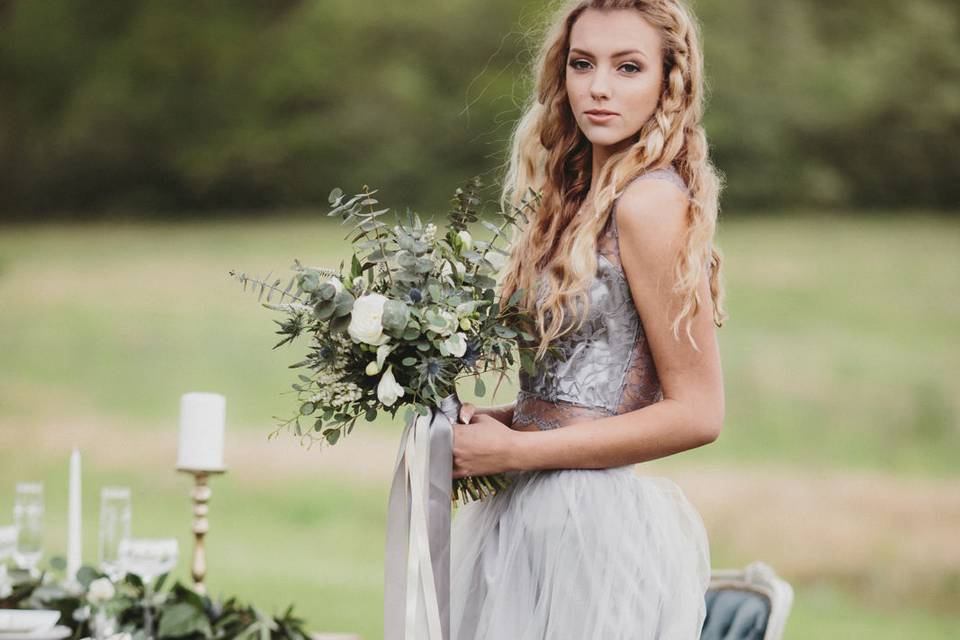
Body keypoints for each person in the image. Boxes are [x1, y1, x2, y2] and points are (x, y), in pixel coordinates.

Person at [448, 0, 727, 638]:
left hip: (590, 528)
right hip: (524, 511)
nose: (598, 87)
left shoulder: (651, 204)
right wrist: (486, 429)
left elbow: (698, 413)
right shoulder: (568, 205)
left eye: (628, 67)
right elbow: (580, 393)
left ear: (668, 83)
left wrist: (518, 450)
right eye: (582, 64)